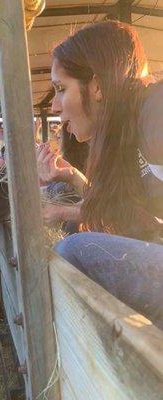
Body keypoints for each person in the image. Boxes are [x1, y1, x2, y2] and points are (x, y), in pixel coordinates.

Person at [38, 21, 163, 329]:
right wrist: (71, 178)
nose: (54, 105)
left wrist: (63, 210)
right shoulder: (130, 127)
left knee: (76, 251)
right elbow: (131, 218)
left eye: (61, 89)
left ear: (96, 87)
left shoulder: (155, 112)